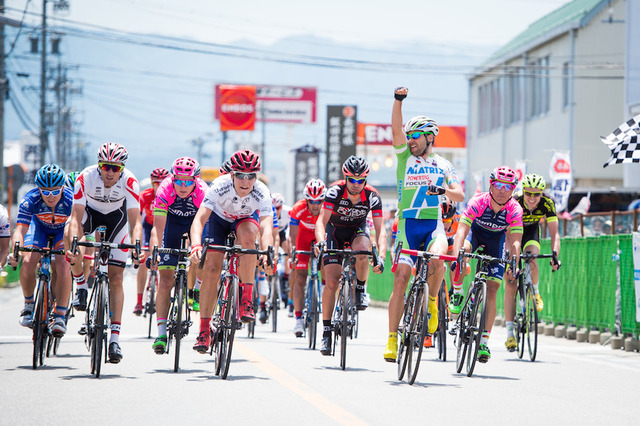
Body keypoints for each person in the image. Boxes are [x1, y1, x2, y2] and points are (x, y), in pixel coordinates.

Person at [383, 86, 465, 362]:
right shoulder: (405, 157)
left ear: (430, 138)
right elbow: (395, 129)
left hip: (433, 225)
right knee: (401, 280)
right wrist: (398, 101)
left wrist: (442, 192)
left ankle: (431, 305)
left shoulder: (443, 164)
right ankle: (392, 339)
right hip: (407, 225)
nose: (410, 140)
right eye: (409, 136)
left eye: (415, 136)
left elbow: (459, 194)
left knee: (438, 258)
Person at [189, 149, 274, 353]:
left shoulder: (261, 191)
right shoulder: (219, 186)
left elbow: (266, 227)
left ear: (256, 176)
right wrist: (195, 245)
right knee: (211, 270)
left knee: (248, 239)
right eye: (240, 176)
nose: (245, 181)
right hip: (218, 222)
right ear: (231, 175)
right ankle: (204, 331)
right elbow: (199, 219)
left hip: (244, 221)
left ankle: (246, 299)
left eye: (250, 176)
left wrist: (267, 252)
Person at [66, 142, 142, 363]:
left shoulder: (130, 181)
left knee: (116, 278)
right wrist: (74, 243)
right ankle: (80, 284)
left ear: (122, 168)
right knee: (74, 240)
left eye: (115, 168)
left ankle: (115, 339)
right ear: (99, 165)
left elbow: (135, 222)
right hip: (89, 217)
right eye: (106, 166)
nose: (110, 172)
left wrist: (137, 246)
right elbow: (75, 216)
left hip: (116, 221)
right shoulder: (86, 177)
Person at [314, 156, 387, 356]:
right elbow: (321, 221)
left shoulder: (372, 196)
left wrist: (380, 256)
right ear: (345, 178)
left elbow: (381, 231)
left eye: (360, 180)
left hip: (357, 231)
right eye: (352, 180)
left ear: (366, 180)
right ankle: (327, 332)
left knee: (364, 249)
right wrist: (321, 240)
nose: (356, 185)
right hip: (334, 232)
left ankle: (360, 290)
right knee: (331, 283)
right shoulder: (334, 191)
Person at [449, 166, 523, 363]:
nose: (502, 190)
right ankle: (457, 293)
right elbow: (461, 231)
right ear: (491, 185)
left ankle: (483, 342)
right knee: (463, 252)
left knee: (493, 289)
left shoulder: (515, 209)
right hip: (474, 234)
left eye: (507, 187)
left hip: (496, 241)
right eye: (498, 185)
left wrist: (513, 263)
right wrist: (457, 256)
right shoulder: (478, 202)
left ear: (513, 189)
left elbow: (515, 240)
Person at [149, 157, 208, 354]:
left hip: (194, 222)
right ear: (172, 179)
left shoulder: (202, 191)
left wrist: (196, 246)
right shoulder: (165, 189)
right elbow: (158, 228)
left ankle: (196, 289)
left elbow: (201, 225)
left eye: (188, 181)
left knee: (201, 254)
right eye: (179, 181)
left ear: (196, 181)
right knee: (165, 280)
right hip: (171, 224)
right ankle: (161, 333)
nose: (183, 186)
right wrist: (156, 250)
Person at [9, 164, 73, 337]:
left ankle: (60, 314)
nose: (50, 196)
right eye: (45, 191)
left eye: (55, 191)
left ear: (63, 187)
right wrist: (16, 252)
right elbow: (20, 230)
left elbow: (76, 230)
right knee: (29, 261)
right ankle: (29, 305)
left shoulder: (71, 199)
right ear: (39, 189)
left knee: (62, 264)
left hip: (62, 232)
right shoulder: (30, 199)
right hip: (39, 229)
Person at [504, 173, 561, 351]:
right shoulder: (514, 202)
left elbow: (555, 234)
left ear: (542, 194)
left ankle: (535, 292)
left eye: (537, 194)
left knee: (532, 256)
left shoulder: (548, 203)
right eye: (529, 193)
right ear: (523, 192)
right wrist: (509, 257)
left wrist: (555, 256)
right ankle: (510, 335)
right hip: (513, 233)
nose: (532, 198)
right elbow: (506, 233)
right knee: (510, 283)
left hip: (531, 232)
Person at [289, 179, 326, 337]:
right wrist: (294, 254)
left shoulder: (328, 209)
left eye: (319, 201)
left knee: (327, 265)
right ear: (306, 200)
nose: (316, 205)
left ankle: (324, 292)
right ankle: (298, 318)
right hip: (303, 239)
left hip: (321, 237)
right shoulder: (298, 209)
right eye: (312, 201)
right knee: (300, 278)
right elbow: (293, 236)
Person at [133, 167, 169, 316]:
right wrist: (139, 246)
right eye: (156, 183)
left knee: (164, 264)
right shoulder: (144, 196)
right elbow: (138, 223)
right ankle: (139, 301)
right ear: (152, 183)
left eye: (162, 183)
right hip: (149, 227)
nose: (159, 186)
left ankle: (161, 294)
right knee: (143, 261)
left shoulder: (170, 195)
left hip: (164, 228)